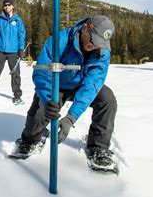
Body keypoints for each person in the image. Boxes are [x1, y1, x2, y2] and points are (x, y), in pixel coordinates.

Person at [11, 15, 118, 172]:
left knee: (107, 99)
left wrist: (70, 117)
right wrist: (48, 100)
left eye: (99, 43)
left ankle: (98, 147)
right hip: (56, 85)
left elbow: (93, 84)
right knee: (40, 111)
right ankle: (31, 139)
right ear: (85, 28)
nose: (94, 46)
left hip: (81, 84)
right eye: (93, 40)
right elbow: (41, 73)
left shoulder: (102, 52)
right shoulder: (58, 41)